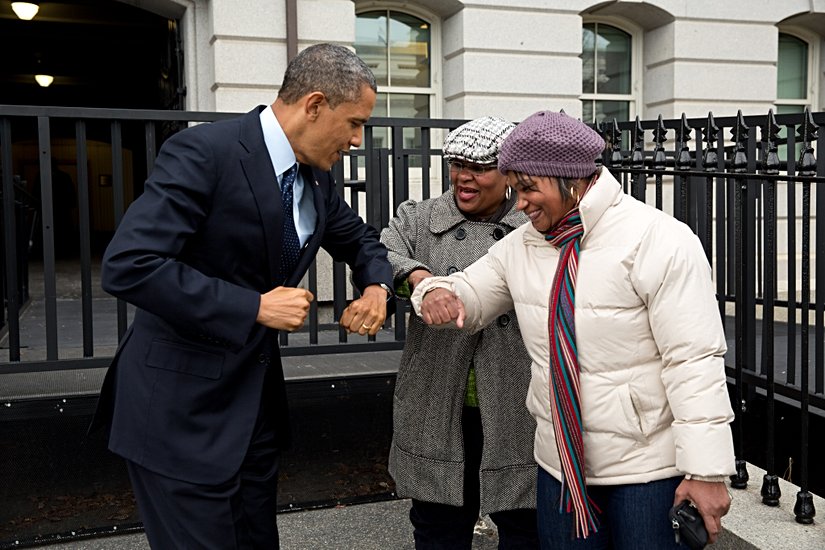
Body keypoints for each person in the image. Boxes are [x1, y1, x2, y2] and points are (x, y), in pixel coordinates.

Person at [92, 43, 394, 549]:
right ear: (315, 105)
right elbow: (130, 265)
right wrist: (252, 306)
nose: (359, 140)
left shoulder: (316, 177)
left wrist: (377, 286)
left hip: (251, 418)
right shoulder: (205, 152)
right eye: (356, 123)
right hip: (179, 415)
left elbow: (360, 239)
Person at [411, 111, 735, 549]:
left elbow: (694, 360)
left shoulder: (659, 240)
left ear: (572, 180)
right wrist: (433, 291)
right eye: (515, 189)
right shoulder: (521, 245)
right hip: (559, 466)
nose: (519, 203)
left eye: (528, 189)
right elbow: (468, 290)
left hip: (645, 469)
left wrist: (707, 471)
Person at [381, 116, 539, 549]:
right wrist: (418, 277)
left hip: (515, 399)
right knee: (439, 525)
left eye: (480, 167)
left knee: (524, 523)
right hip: (438, 397)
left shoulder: (534, 225)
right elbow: (381, 252)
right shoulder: (419, 217)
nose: (464, 177)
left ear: (508, 173)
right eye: (456, 164)